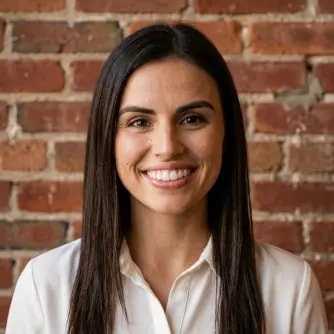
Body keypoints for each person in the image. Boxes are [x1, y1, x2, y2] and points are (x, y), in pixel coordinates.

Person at [5, 23, 328, 334]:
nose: (167, 147)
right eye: (139, 122)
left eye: (192, 119)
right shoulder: (46, 286)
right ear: (108, 139)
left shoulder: (289, 288)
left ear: (226, 134)